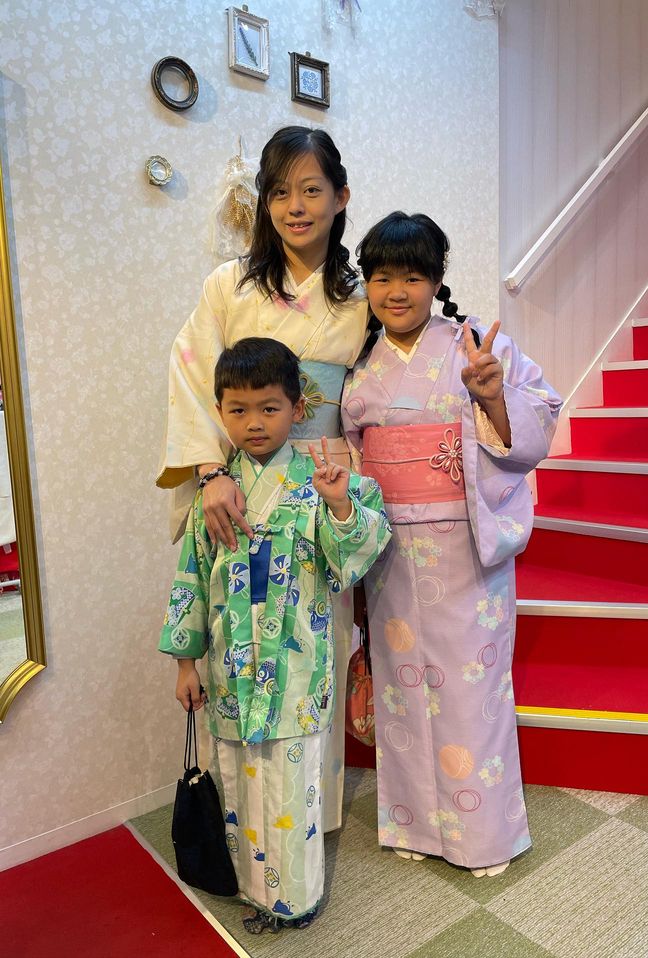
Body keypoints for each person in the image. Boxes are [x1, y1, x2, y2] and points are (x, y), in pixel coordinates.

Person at [157, 126, 370, 831]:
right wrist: (209, 472)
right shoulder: (229, 285)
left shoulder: (360, 295)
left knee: (315, 645)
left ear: (341, 197)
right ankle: (240, 817)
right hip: (239, 485)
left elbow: (378, 386)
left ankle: (311, 816)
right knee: (237, 638)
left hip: (321, 481)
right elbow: (193, 376)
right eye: (279, 192)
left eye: (311, 190)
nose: (295, 207)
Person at [341, 212, 562, 876]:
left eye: (413, 277)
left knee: (471, 690)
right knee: (402, 685)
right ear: (367, 283)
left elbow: (540, 413)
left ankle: (484, 836)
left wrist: (492, 398)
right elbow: (351, 457)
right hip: (387, 548)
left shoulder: (473, 345)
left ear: (437, 280)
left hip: (464, 541)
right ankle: (414, 824)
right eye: (382, 277)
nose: (397, 292)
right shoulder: (360, 365)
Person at [159, 338, 390, 933]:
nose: (254, 423)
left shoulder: (321, 480)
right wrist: (185, 664)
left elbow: (354, 556)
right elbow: (191, 577)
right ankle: (248, 891)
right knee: (236, 776)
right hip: (230, 665)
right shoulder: (215, 495)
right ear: (219, 412)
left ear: (297, 407)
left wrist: (339, 506)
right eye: (237, 410)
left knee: (292, 783)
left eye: (269, 407)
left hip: (296, 667)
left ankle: (292, 900)